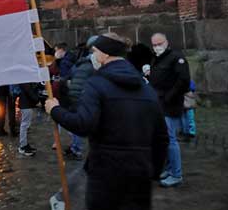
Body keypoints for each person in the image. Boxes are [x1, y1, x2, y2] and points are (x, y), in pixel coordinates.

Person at [45, 33, 169, 210]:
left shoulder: (96, 84)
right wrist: (153, 172)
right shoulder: (146, 89)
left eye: (95, 51)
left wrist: (55, 110)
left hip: (106, 174)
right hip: (140, 175)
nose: (93, 56)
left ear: (104, 54)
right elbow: (162, 138)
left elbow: (83, 124)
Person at [149, 32, 190, 187]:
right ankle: (168, 168)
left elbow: (183, 81)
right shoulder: (157, 58)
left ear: (166, 42)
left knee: (170, 140)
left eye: (160, 43)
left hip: (170, 105)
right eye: (154, 44)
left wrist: (168, 97)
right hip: (158, 105)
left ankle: (176, 174)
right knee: (163, 140)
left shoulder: (176, 58)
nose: (157, 47)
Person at [63, 39, 96, 160]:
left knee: (76, 123)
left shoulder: (80, 62)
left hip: (73, 95)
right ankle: (76, 149)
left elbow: (68, 76)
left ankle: (75, 147)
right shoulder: (94, 64)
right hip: (83, 96)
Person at [18, 82, 40, 156]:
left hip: (26, 104)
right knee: (24, 125)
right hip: (26, 104)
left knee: (25, 125)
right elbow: (28, 90)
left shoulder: (24, 80)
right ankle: (23, 146)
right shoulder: (24, 80)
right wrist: (36, 100)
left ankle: (24, 144)